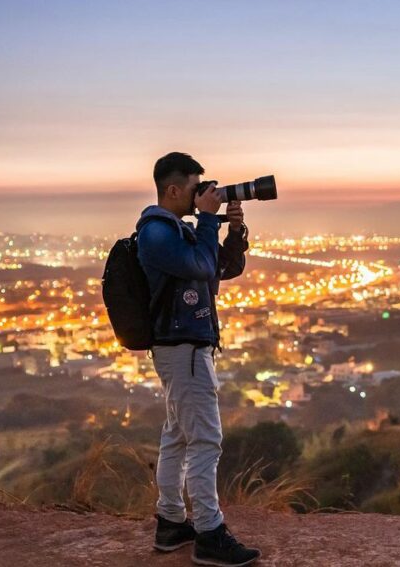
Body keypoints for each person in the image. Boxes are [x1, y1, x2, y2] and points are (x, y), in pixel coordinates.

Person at [136, 152, 261, 566]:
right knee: (206, 439)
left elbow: (220, 269)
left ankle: (171, 522)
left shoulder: (178, 231)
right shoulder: (157, 233)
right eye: (195, 189)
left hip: (186, 347)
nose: (202, 195)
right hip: (183, 349)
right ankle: (209, 532)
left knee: (177, 435)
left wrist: (234, 231)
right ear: (173, 189)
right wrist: (208, 218)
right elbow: (202, 265)